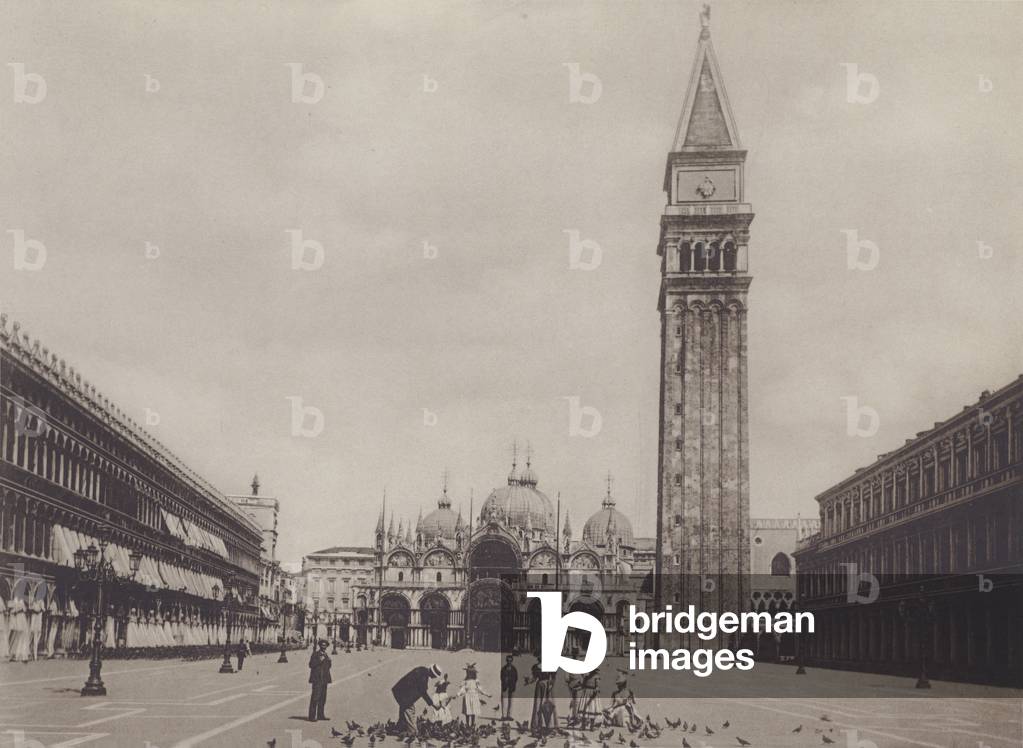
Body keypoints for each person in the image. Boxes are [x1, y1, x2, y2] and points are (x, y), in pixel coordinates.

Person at [391, 663, 442, 733]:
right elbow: (423, 692)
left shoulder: (422, 670)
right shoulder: (424, 677)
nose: (434, 678)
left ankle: (399, 727)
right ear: (433, 674)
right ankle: (413, 732)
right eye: (435, 676)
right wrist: (433, 705)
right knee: (410, 710)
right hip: (404, 695)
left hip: (398, 691)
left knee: (404, 708)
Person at [527, 659, 558, 734]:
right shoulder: (536, 667)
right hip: (539, 686)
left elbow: (553, 677)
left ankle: (549, 726)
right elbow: (534, 678)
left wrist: (551, 685)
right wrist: (528, 680)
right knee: (538, 705)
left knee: (548, 705)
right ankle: (537, 725)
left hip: (547, 686)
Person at [456, 663, 491, 727]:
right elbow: (462, 689)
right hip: (467, 696)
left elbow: (480, 689)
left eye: (470, 672)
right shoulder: (465, 681)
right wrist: (458, 694)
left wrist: (487, 694)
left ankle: (472, 724)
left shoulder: (476, 681)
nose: (469, 674)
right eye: (468, 672)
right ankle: (467, 724)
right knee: (467, 711)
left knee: (473, 711)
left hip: (474, 696)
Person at [308, 639, 332, 721]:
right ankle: (312, 716)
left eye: (325, 645)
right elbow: (311, 664)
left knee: (323, 698)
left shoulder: (326, 655)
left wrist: (329, 661)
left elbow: (328, 667)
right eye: (322, 645)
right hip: (317, 679)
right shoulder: (315, 654)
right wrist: (319, 660)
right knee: (315, 698)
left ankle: (320, 715)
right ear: (320, 646)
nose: (324, 647)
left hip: (324, 679)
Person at [499, 655, 518, 721]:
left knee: (511, 702)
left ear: (512, 661)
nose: (509, 662)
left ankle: (509, 715)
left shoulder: (514, 669)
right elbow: (501, 677)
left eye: (510, 661)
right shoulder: (503, 669)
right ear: (506, 661)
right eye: (508, 660)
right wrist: (505, 681)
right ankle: (504, 716)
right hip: (504, 687)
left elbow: (516, 678)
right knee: (504, 701)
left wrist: (511, 681)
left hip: (512, 687)